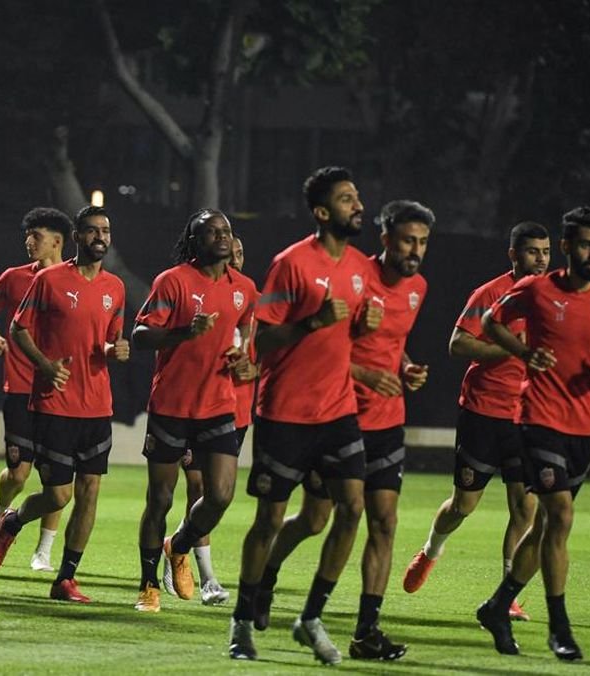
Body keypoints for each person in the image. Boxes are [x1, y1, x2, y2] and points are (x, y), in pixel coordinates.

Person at [255, 200, 434, 661]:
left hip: (388, 422)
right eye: (407, 240)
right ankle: (267, 575)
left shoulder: (418, 288)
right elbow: (322, 348)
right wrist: (366, 375)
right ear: (385, 240)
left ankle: (366, 632)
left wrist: (407, 368)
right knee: (315, 520)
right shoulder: (356, 277)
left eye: (422, 242)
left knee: (384, 522)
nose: (415, 250)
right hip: (338, 416)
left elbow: (393, 346)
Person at [475, 206, 590, 661]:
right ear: (567, 247)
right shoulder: (535, 289)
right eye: (587, 245)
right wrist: (523, 352)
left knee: (549, 524)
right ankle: (560, 629)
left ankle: (496, 605)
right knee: (561, 516)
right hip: (537, 418)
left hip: (583, 426)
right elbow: (490, 321)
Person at [227, 166, 372, 663]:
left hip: (337, 411)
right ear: (322, 212)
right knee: (268, 519)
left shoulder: (361, 267)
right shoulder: (291, 264)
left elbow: (352, 340)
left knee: (340, 512)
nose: (358, 205)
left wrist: (371, 339)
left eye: (357, 197)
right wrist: (312, 321)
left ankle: (311, 615)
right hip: (285, 411)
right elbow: (260, 342)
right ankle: (241, 623)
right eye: (347, 199)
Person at [402, 222, 551, 621]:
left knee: (525, 509)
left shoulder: (556, 299)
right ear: (513, 255)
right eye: (532, 251)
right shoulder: (490, 294)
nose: (540, 259)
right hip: (483, 411)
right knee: (464, 504)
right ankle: (431, 549)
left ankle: (507, 594)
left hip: (528, 416)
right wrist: (510, 348)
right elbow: (457, 344)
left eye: (546, 251)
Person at [0, 205, 129, 603]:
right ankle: (12, 521)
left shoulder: (115, 288)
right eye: (93, 230)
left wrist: (114, 350)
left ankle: (65, 578)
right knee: (58, 496)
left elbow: (106, 338)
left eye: (106, 230)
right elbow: (17, 328)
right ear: (78, 237)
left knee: (90, 491)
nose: (101, 236)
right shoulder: (49, 280)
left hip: (98, 405)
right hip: (53, 403)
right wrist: (46, 366)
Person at [131, 210, 256, 613]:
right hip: (171, 405)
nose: (221, 237)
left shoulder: (245, 289)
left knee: (219, 495)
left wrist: (246, 361)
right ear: (195, 240)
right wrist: (186, 332)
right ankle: (148, 585)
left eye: (226, 231)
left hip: (218, 404)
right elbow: (140, 335)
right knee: (161, 500)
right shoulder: (173, 281)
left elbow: (248, 335)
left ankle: (178, 545)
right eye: (211, 232)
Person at [0, 207, 71, 571]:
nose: (28, 241)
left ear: (58, 241)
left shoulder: (75, 280)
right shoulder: (14, 278)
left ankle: (43, 552)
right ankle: (2, 513)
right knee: (18, 473)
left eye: (37, 235)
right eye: (27, 234)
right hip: (19, 387)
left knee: (57, 480)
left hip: (60, 393)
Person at [174, 236, 258, 607]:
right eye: (230, 251)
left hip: (237, 411)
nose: (234, 258)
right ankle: (208, 579)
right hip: (197, 407)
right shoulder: (200, 293)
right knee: (198, 487)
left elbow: (261, 358)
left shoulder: (248, 298)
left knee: (218, 496)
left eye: (241, 252)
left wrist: (251, 367)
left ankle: (176, 543)